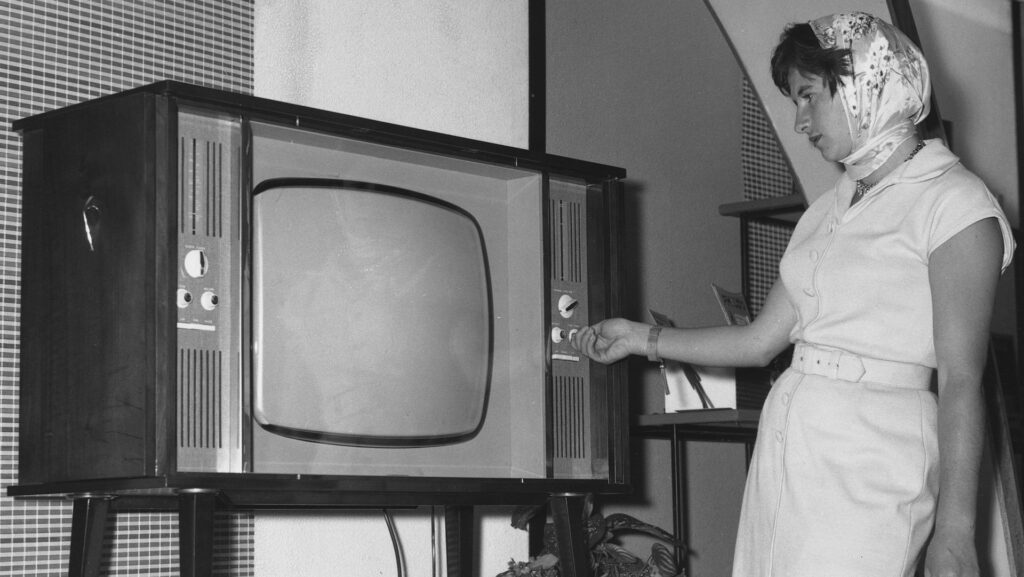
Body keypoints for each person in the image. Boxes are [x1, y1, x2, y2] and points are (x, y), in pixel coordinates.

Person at [570, 11, 1016, 577]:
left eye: (809, 96)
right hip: (790, 440)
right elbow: (759, 341)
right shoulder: (827, 209)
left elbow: (960, 381)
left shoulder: (956, 204)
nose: (801, 122)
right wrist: (641, 338)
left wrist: (956, 532)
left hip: (875, 459)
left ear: (864, 83)